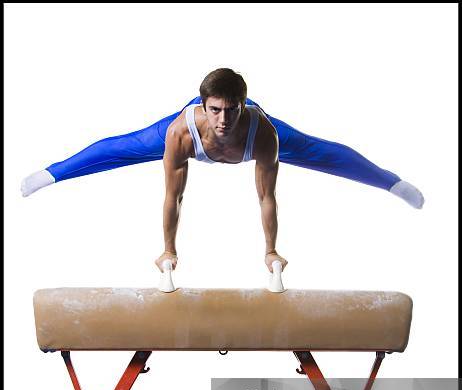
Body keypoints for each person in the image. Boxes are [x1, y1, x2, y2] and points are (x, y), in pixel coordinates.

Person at [21, 68, 424, 272]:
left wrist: (269, 250)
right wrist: (169, 249)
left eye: (232, 110)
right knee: (122, 147)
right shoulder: (181, 132)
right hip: (178, 136)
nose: (223, 120)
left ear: (244, 106)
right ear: (204, 106)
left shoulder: (263, 131)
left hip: (264, 137)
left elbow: (267, 197)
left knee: (322, 152)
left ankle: (392, 183)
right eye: (215, 110)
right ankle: (51, 174)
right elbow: (173, 197)